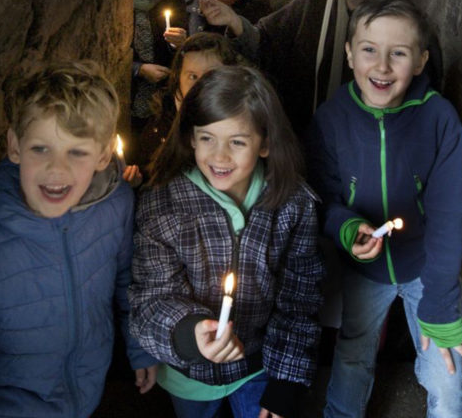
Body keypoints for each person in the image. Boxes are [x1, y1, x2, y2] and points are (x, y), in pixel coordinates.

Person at [0, 61, 159, 418]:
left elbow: (128, 278)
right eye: (40, 149)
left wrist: (139, 346)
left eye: (77, 152)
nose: (56, 170)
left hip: (88, 390)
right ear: (15, 146)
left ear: (103, 156)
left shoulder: (117, 206)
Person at [306, 0, 462, 418]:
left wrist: (440, 303)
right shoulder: (330, 119)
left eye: (398, 53)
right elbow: (324, 197)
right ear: (348, 54)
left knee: (450, 372)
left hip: (426, 267)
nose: (381, 67)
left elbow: (448, 216)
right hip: (366, 267)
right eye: (369, 50)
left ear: (420, 61)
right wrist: (346, 228)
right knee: (353, 353)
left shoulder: (440, 121)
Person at [129, 66, 324, 418]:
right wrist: (190, 334)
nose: (219, 156)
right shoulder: (162, 204)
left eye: (237, 141)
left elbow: (299, 299)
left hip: (261, 370)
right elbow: (151, 299)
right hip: (189, 375)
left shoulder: (293, 204)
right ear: (190, 138)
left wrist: (286, 384)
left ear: (265, 142)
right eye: (207, 138)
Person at [201, 0, 442, 137]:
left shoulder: (402, 20)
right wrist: (233, 21)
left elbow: (420, 94)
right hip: (310, 141)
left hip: (373, 149)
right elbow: (267, 41)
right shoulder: (317, 0)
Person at [135, 32, 243, 177]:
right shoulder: (163, 123)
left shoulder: (244, 126)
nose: (200, 84)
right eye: (192, 76)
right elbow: (147, 171)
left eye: (211, 75)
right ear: (178, 79)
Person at [132, 0, 189, 161]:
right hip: (129, 97)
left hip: (160, 102)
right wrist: (139, 69)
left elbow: (180, 50)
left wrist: (178, 43)